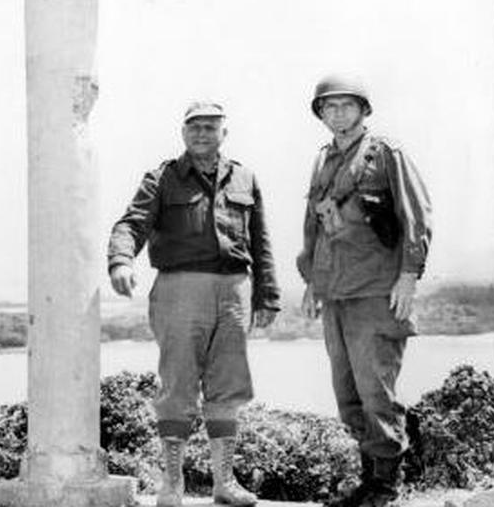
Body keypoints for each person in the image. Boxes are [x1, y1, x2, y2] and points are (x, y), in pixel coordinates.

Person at [108, 101, 280, 507]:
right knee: (179, 383)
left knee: (229, 384)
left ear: (224, 132)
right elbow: (131, 224)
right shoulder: (162, 177)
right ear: (183, 133)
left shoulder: (246, 177)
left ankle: (225, 482)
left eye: (210, 127)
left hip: (235, 290)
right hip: (179, 289)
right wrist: (121, 260)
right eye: (194, 128)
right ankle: (172, 484)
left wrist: (268, 295)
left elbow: (262, 241)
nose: (202, 134)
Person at [297, 75, 432, 507]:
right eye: (329, 107)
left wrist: (409, 275)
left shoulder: (384, 153)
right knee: (348, 392)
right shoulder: (324, 161)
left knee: (377, 392)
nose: (337, 113)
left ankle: (387, 486)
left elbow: (417, 215)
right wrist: (311, 284)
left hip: (377, 291)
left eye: (346, 105)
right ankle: (368, 481)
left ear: (363, 109)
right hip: (336, 293)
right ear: (321, 114)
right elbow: (313, 230)